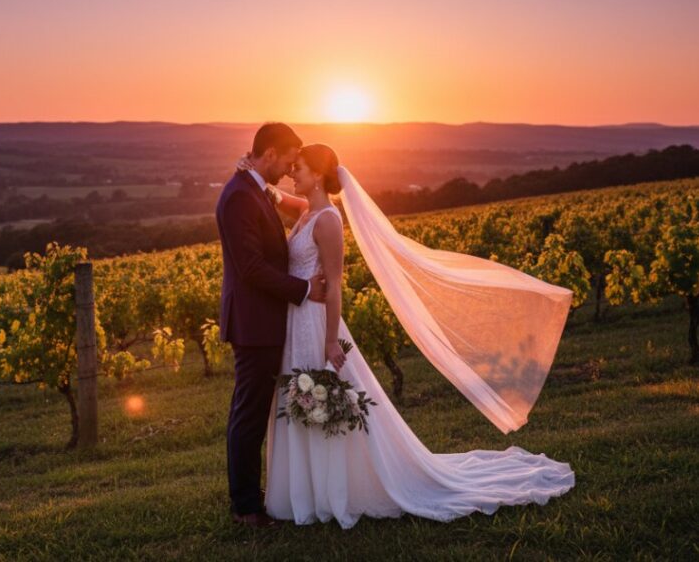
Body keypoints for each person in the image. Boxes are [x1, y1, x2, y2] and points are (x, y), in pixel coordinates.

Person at [237, 142, 576, 529]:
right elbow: (283, 199)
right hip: (295, 322)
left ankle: (332, 491)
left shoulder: (328, 220)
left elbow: (336, 286)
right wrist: (256, 179)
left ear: (317, 174)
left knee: (323, 403)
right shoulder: (307, 212)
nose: (291, 174)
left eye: (298, 168)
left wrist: (331, 341)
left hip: (314, 324)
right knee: (304, 403)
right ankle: (309, 491)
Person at [215, 122, 328, 527]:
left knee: (254, 409)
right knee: (249, 413)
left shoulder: (252, 187)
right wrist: (303, 289)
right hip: (254, 322)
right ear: (268, 154)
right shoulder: (239, 198)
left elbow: (296, 204)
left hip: (262, 320)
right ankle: (246, 507)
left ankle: (250, 497)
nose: (289, 167)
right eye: (286, 159)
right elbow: (250, 268)